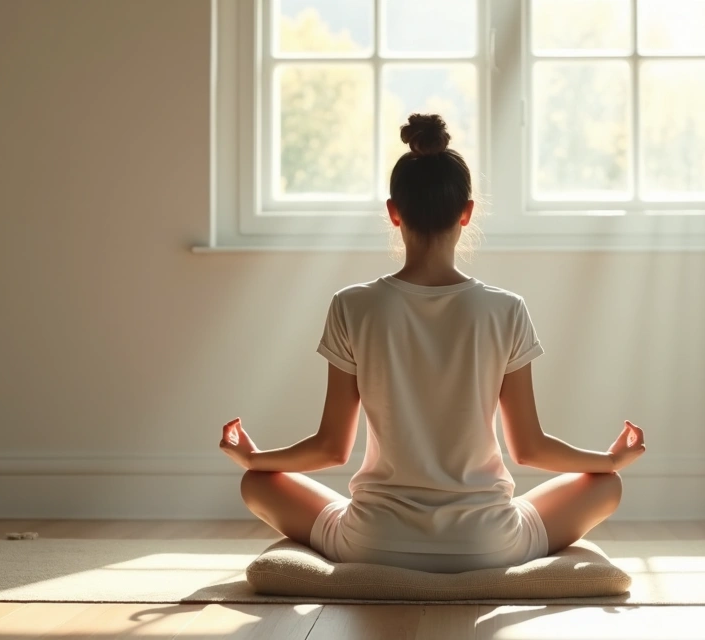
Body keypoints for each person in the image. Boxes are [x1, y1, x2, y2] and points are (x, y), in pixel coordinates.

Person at [219, 113, 646, 573]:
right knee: (607, 486)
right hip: (487, 542)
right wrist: (609, 460)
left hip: (372, 540)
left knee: (255, 483)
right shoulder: (506, 309)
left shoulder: (352, 305)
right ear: (467, 212)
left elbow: (330, 449)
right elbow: (529, 449)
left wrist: (254, 457)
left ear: (392, 211)